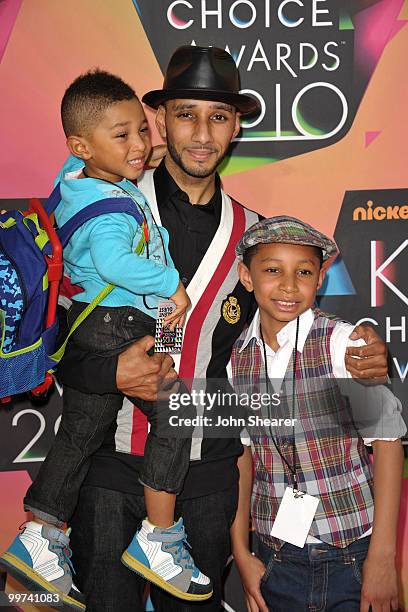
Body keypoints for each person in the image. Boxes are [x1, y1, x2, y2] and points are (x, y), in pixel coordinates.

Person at [55, 46, 388, 612]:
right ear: (158, 121)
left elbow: (298, 334)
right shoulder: (104, 213)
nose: (202, 133)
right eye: (185, 114)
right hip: (110, 469)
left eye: (218, 116)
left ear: (236, 126)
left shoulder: (256, 239)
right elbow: (60, 343)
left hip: (208, 478)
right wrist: (112, 369)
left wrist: (363, 349)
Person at [0, 69, 215, 607]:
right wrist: (172, 283)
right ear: (81, 145)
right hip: (117, 326)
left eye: (143, 130)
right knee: (179, 412)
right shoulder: (111, 208)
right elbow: (114, 261)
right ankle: (159, 538)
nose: (141, 145)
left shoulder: (77, 182)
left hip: (100, 330)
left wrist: (100, 149)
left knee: (78, 436)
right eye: (123, 136)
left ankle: (39, 535)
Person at [229, 216, 406, 612]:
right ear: (246, 275)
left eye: (304, 272)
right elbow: (243, 457)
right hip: (277, 556)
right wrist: (241, 550)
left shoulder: (342, 344)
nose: (289, 285)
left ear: (320, 280)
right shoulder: (237, 358)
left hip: (353, 554)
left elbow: (388, 444)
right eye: (272, 270)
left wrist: (382, 558)